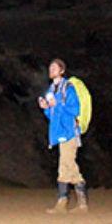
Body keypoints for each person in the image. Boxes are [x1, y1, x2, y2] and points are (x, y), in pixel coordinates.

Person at [37, 58, 87, 213]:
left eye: (54, 67)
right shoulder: (51, 90)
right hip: (59, 133)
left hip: (70, 132)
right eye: (50, 67)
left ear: (62, 71)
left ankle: (63, 203)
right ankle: (79, 204)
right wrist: (46, 108)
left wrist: (57, 104)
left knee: (65, 165)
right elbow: (53, 116)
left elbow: (75, 110)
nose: (51, 69)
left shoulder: (68, 88)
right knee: (68, 165)